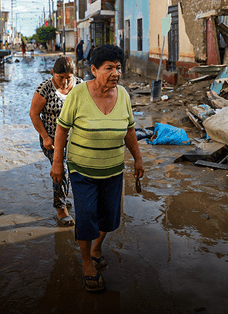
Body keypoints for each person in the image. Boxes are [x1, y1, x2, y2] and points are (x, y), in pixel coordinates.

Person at [51, 44, 144, 292]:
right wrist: (57, 161)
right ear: (93, 70)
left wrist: (138, 158)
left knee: (108, 216)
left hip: (113, 169)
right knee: (86, 216)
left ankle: (96, 247)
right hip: (82, 170)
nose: (116, 73)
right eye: (109, 68)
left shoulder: (123, 94)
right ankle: (86, 263)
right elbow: (62, 128)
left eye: (119, 67)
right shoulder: (79, 94)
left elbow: (130, 129)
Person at [29, 56, 84, 227]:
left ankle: (64, 196)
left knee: (76, 171)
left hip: (76, 140)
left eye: (69, 77)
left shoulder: (81, 87)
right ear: (53, 73)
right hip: (51, 140)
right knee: (61, 169)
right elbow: (34, 114)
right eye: (61, 77)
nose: (65, 82)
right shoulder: (44, 89)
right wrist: (45, 136)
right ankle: (61, 209)